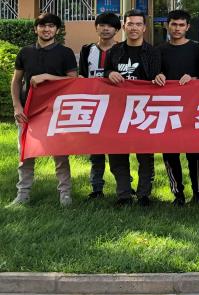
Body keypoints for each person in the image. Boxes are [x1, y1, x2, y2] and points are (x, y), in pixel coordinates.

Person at [8, 13, 78, 207]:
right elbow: (16, 81)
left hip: (56, 111)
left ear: (57, 30)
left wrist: (47, 76)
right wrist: (17, 106)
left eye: (51, 26)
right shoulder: (25, 52)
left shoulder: (65, 53)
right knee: (25, 154)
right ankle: (22, 195)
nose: (46, 29)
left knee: (60, 155)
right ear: (35, 29)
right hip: (27, 111)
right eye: (42, 26)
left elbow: (73, 80)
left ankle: (65, 195)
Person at [104, 10, 163, 206]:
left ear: (144, 28)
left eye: (138, 24)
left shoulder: (153, 52)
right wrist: (110, 73)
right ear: (124, 27)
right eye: (130, 24)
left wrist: (159, 77)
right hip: (117, 110)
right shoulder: (114, 51)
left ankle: (144, 194)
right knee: (117, 154)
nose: (134, 28)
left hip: (143, 111)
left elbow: (157, 75)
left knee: (145, 155)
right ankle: (123, 195)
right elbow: (105, 73)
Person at [159, 9, 199, 205]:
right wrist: (158, 76)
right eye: (173, 24)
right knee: (169, 152)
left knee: (195, 152)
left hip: (193, 108)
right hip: (167, 109)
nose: (177, 28)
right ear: (167, 25)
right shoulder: (159, 50)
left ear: (188, 27)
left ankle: (198, 193)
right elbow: (152, 75)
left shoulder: (198, 49)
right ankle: (177, 193)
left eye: (181, 25)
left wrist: (194, 77)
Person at [79, 11, 121, 199]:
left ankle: (124, 186)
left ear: (116, 29)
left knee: (118, 151)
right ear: (96, 27)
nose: (105, 29)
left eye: (110, 26)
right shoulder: (87, 49)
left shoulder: (122, 50)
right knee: (95, 151)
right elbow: (81, 75)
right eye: (102, 25)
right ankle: (96, 188)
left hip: (116, 106)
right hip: (93, 106)